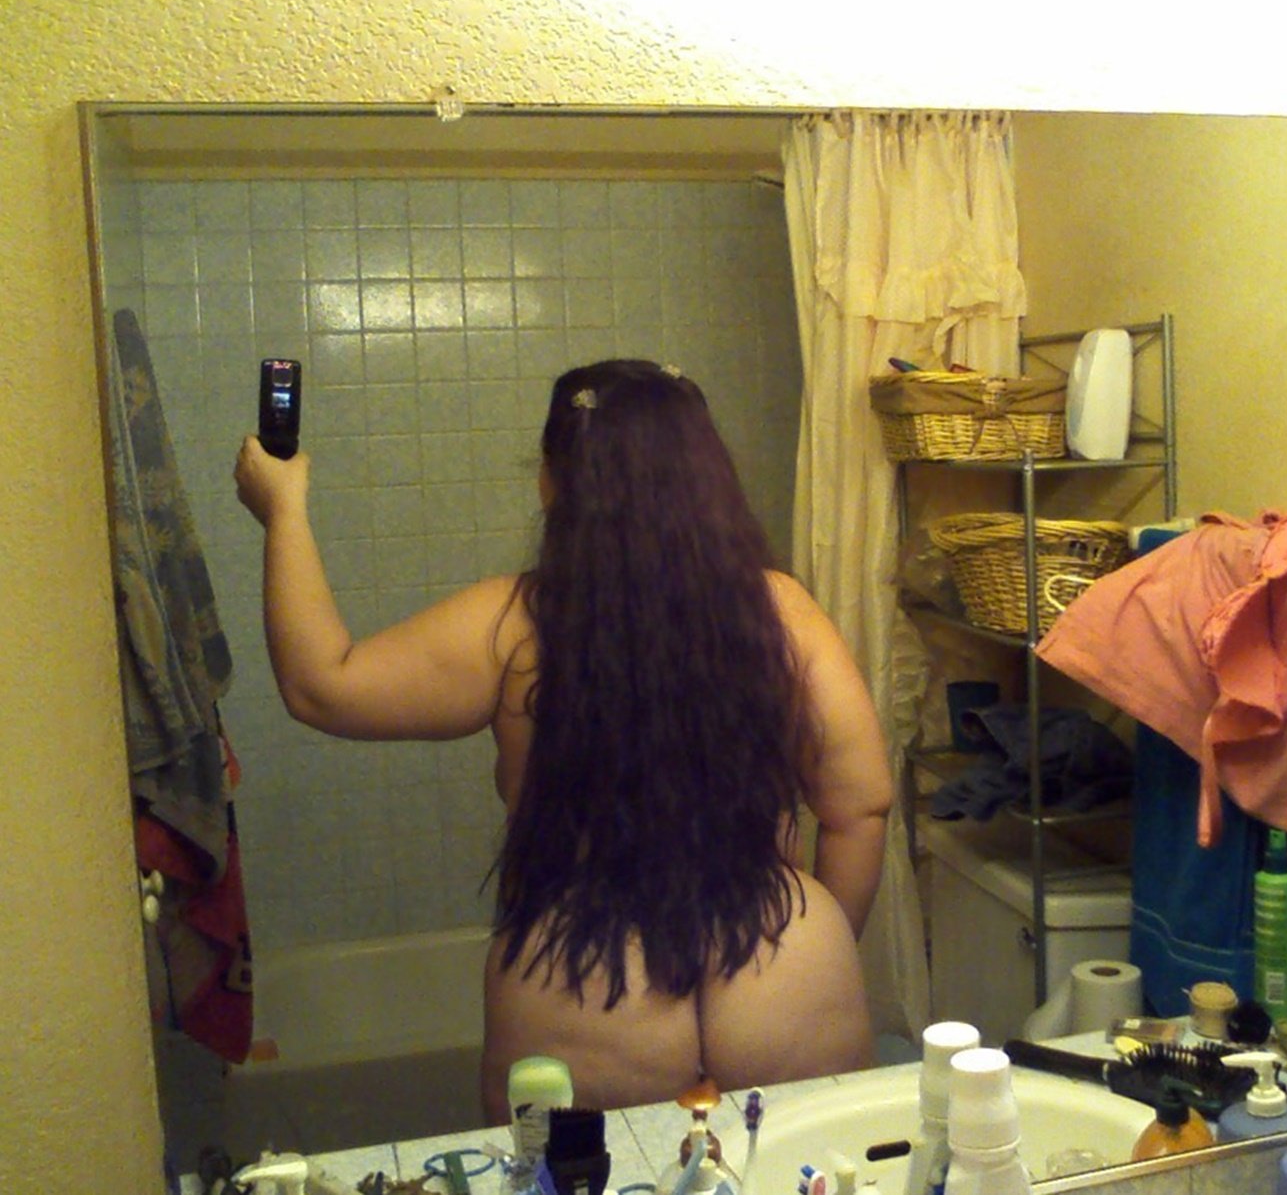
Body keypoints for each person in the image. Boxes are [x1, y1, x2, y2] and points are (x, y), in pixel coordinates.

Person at [234, 359, 892, 1115]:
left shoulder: (515, 621)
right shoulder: (782, 608)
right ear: (709, 475)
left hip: (585, 977)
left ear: (552, 481)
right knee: (810, 1169)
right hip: (783, 951)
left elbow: (321, 684)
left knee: (575, 1173)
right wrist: (812, 951)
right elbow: (859, 806)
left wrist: (283, 509)